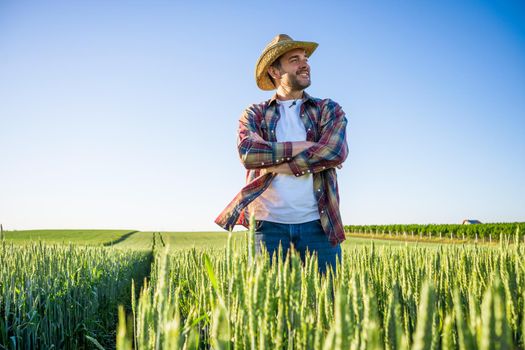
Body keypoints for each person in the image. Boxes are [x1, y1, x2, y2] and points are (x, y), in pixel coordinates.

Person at [215, 34, 348, 274]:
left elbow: (335, 151)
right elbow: (249, 154)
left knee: (329, 305)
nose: (305, 64)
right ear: (275, 71)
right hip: (268, 228)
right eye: (294, 60)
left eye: (305, 58)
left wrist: (273, 164)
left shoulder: (328, 109)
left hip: (319, 225)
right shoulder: (254, 113)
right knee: (270, 310)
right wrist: (306, 146)